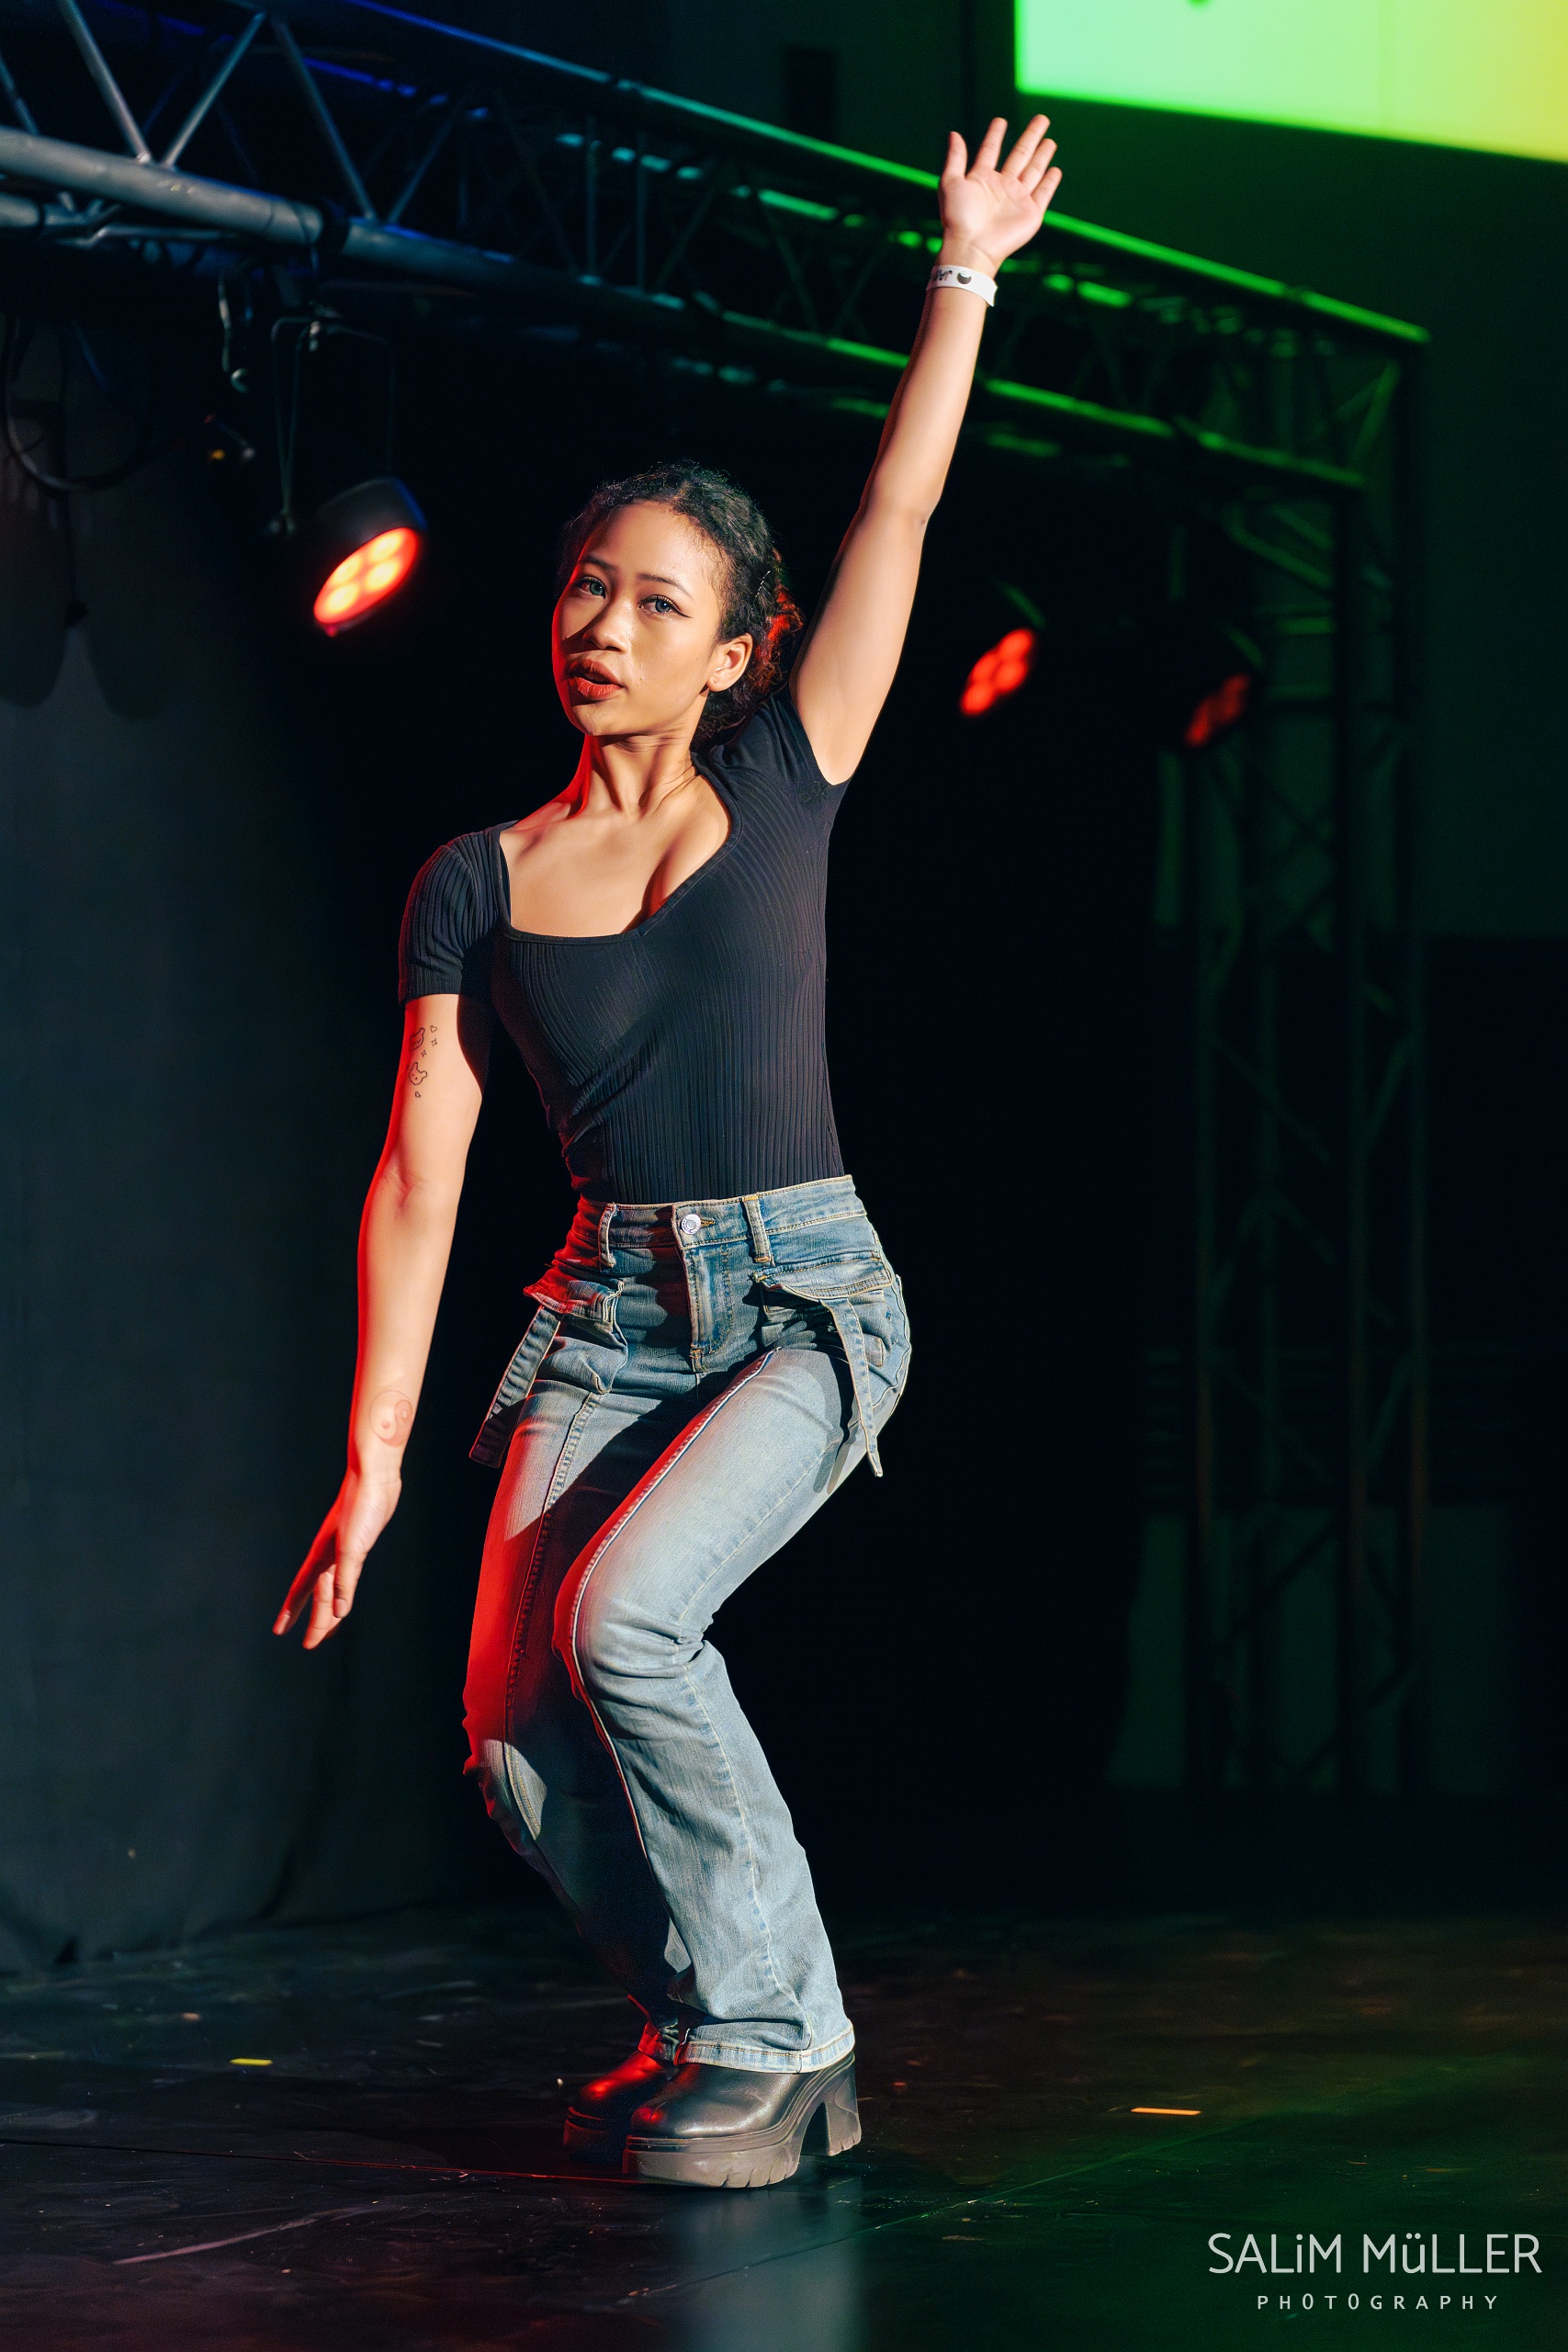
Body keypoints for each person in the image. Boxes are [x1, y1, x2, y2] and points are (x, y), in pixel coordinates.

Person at [274, 115, 1063, 2189]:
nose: (603, 622)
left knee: (624, 1624)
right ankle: (710, 2020)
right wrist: (373, 1460)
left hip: (803, 1303)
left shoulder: (787, 774)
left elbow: (899, 503)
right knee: (512, 1749)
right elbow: (420, 1173)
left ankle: (792, 2041)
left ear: (732, 651)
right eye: (585, 586)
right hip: (603, 1318)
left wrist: (964, 270)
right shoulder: (475, 879)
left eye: (656, 601)